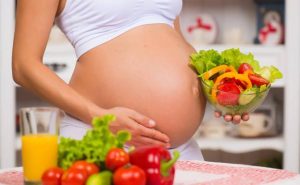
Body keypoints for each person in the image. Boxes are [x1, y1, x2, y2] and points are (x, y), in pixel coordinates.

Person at [12, 0, 249, 160]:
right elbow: (23, 66)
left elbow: (172, 37)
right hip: (103, 140)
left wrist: (221, 89)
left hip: (179, 151)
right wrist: (101, 117)